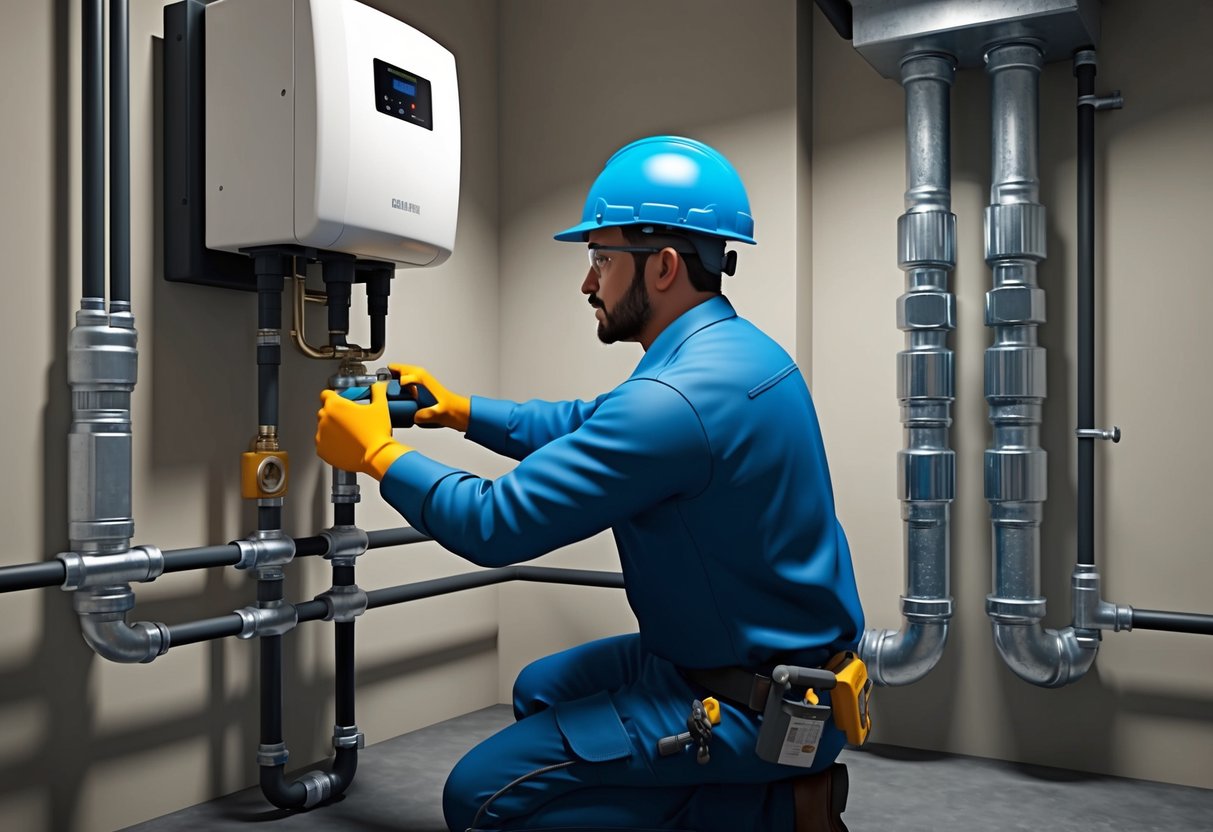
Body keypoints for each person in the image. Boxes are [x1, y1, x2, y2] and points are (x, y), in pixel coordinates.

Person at [315, 135, 864, 832]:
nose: (587, 283)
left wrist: (377, 456)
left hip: (754, 705)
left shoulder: (675, 399)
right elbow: (590, 422)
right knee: (539, 690)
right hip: (750, 664)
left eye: (600, 259)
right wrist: (458, 411)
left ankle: (770, 808)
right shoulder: (730, 354)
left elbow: (497, 523)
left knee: (478, 799)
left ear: (662, 267)